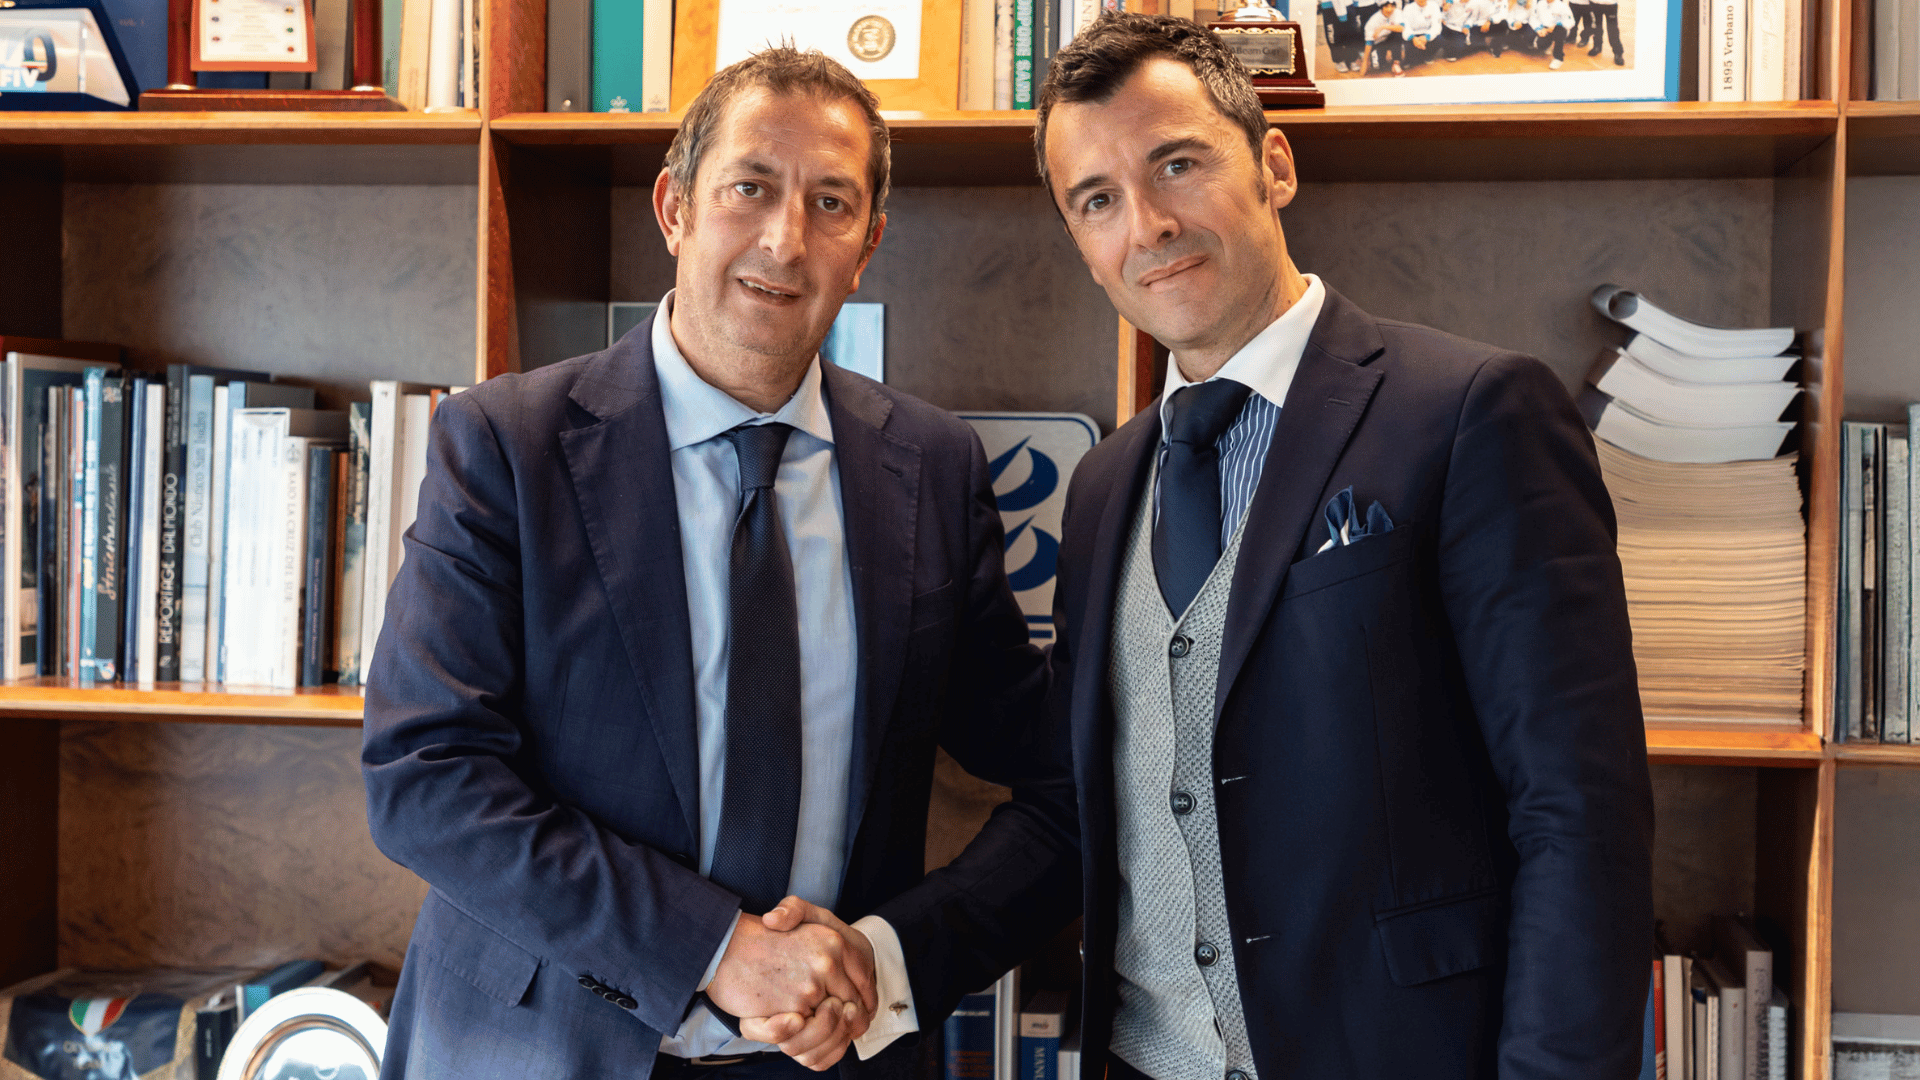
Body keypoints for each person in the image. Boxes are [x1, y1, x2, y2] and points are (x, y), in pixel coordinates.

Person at [361, 45, 1079, 1080]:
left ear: (866, 246)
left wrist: (893, 959)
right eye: (750, 187)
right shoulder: (507, 445)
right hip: (544, 1046)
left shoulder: (933, 466)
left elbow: (1054, 768)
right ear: (675, 208)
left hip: (834, 1054)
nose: (786, 239)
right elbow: (425, 776)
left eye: (831, 203)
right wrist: (716, 948)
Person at [1032, 13, 1655, 1080]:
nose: (1147, 225)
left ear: (1274, 165)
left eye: (1177, 164)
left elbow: (1578, 814)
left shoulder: (1475, 411)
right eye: (1097, 200)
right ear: (1084, 246)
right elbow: (1079, 810)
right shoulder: (1099, 489)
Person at [1318, 0, 1364, 72]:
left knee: (1351, 33)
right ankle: (1339, 61)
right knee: (1334, 35)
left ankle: (1352, 58)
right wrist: (1342, 15)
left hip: (1348, 5)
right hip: (1330, 8)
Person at [1363, 0, 1407, 74]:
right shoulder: (1373, 21)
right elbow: (1369, 42)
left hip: (1389, 38)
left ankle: (1396, 63)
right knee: (1380, 67)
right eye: (1386, 6)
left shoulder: (1397, 12)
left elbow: (1401, 28)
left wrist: (1383, 27)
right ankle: (1374, 56)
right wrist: (1365, 61)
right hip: (1377, 43)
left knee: (1398, 34)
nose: (1389, 9)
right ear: (1381, 7)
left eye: (1392, 6)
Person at [1529, 0, 1576, 67]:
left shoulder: (1562, 6)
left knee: (1560, 31)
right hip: (1545, 29)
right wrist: (1539, 29)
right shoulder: (1540, 3)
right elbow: (1534, 18)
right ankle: (1549, 44)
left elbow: (1571, 21)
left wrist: (1557, 24)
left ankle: (1558, 58)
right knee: (1539, 45)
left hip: (1559, 29)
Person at [1398, 0, 1444, 64]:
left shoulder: (1434, 6)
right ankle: (1412, 59)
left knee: (1439, 39)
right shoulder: (1408, 8)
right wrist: (1413, 38)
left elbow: (1437, 26)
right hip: (1414, 35)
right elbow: (1405, 27)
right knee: (1412, 56)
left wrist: (1427, 37)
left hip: (1427, 34)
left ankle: (1428, 56)